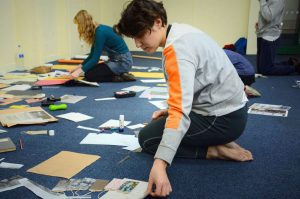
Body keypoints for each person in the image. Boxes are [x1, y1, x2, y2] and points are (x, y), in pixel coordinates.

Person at [114, 0, 253, 197]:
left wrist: (160, 164)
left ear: (158, 22)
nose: (137, 43)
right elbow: (191, 88)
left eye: (140, 34)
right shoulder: (180, 31)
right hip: (231, 111)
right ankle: (216, 140)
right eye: (133, 37)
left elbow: (180, 111)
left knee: (147, 138)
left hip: (224, 120)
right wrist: (171, 110)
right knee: (164, 121)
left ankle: (214, 151)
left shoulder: (176, 51)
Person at [71, 10, 135, 82]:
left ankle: (118, 77)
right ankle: (120, 74)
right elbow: (92, 55)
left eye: (78, 25)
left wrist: (78, 72)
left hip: (123, 62)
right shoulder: (97, 30)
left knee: (89, 75)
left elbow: (95, 59)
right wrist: (78, 67)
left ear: (83, 25)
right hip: (115, 60)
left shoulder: (100, 33)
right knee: (88, 71)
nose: (78, 28)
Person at [256, 0, 300, 75]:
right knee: (261, 69)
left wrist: (262, 1)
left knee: (266, 70)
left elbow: (268, 17)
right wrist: (260, 24)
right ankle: (289, 63)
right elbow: (265, 14)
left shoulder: (277, 0)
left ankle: (296, 68)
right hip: (262, 33)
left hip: (270, 35)